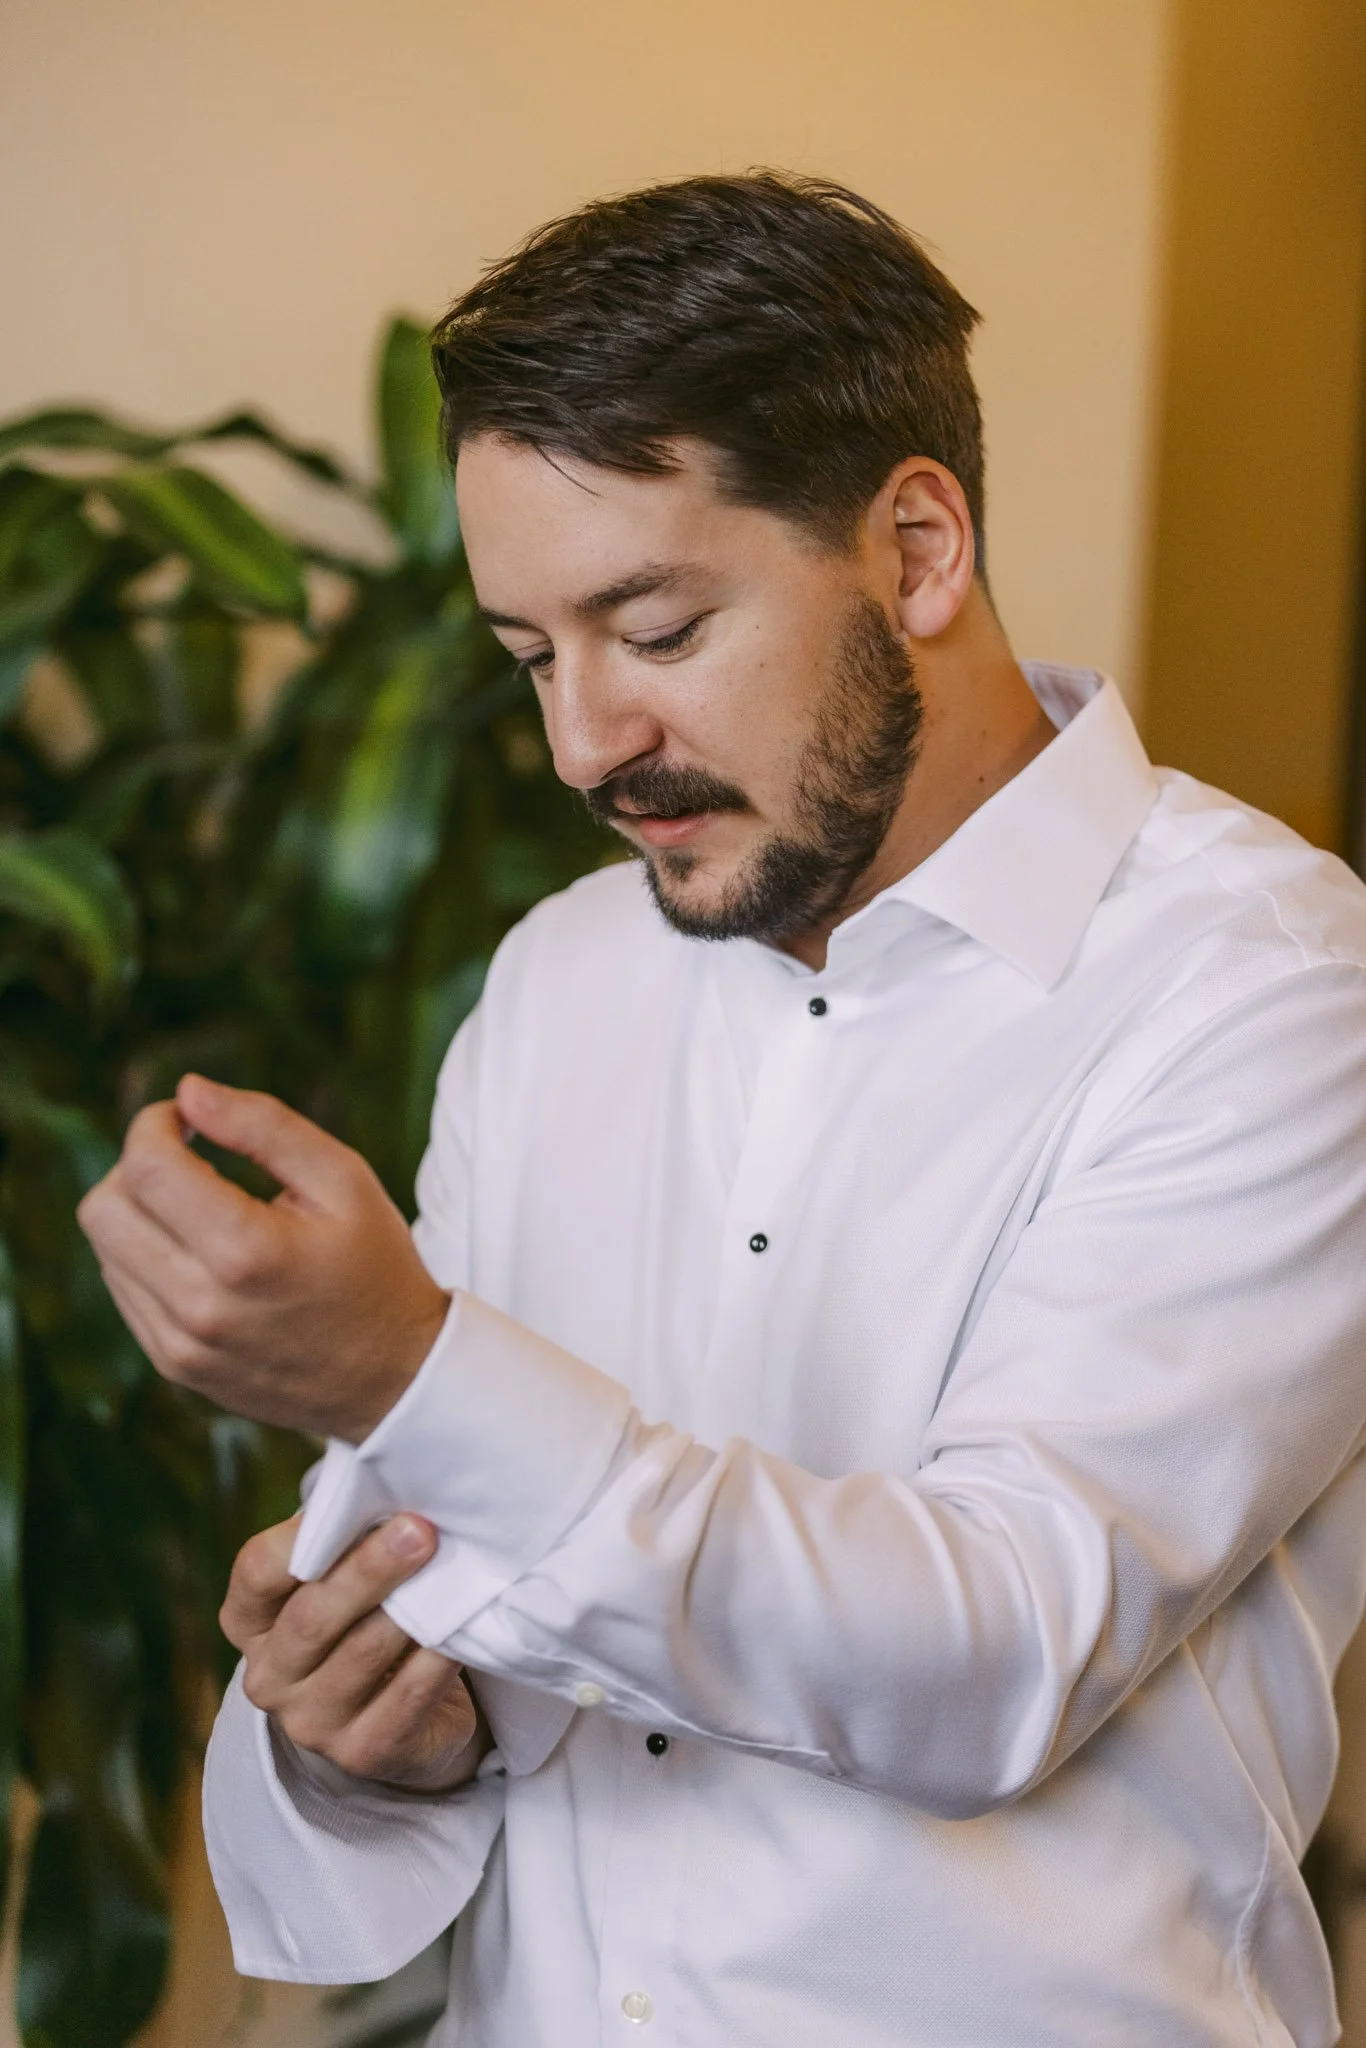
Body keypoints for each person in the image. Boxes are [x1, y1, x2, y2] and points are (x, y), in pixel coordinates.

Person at [78, 174, 1366, 2048]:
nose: (581, 744)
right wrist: (388, 1734)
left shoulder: (1268, 991)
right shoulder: (557, 977)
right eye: (531, 658)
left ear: (916, 548)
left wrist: (408, 1371)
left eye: (659, 629)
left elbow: (996, 1653)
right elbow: (461, 1610)